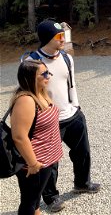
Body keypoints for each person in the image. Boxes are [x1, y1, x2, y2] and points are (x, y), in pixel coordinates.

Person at [30, 20, 100, 213]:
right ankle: (51, 198)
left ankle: (82, 183)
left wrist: (76, 107)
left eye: (63, 36)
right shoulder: (32, 61)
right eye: (59, 36)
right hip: (49, 119)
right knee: (50, 162)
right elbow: (28, 92)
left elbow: (72, 84)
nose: (63, 40)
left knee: (83, 152)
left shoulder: (67, 59)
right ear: (47, 39)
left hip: (72, 114)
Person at [11, 60, 63, 215]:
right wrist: (33, 163)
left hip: (46, 160)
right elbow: (19, 136)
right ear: (30, 78)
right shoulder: (26, 100)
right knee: (29, 202)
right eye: (44, 74)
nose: (49, 76)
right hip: (35, 164)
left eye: (49, 72)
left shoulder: (40, 93)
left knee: (35, 200)